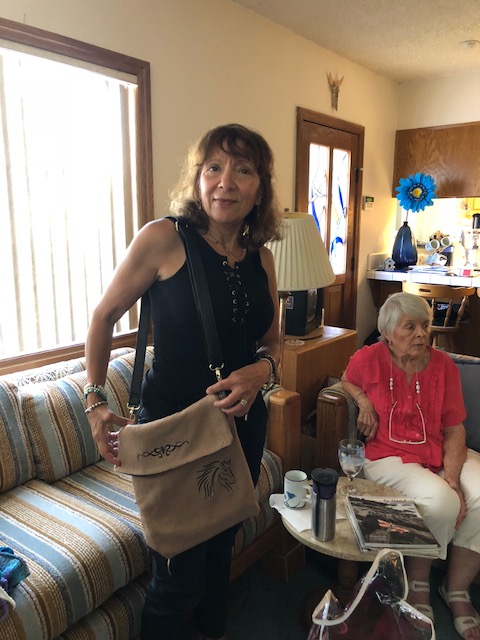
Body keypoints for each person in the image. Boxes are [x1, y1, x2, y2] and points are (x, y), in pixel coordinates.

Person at [84, 123, 282, 640]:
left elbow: (273, 345)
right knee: (176, 575)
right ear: (198, 179)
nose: (226, 181)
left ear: (260, 187)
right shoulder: (164, 239)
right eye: (213, 167)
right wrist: (95, 401)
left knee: (221, 550)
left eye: (243, 170)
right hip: (174, 431)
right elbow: (103, 317)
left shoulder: (262, 258)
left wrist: (262, 372)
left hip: (242, 427)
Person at [341, 292, 480, 640]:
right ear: (388, 334)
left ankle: (456, 589)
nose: (421, 334)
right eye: (410, 327)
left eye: (424, 325)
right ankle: (418, 582)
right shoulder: (368, 358)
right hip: (387, 456)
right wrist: (362, 401)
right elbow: (346, 380)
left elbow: (454, 428)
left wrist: (452, 479)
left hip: (436, 450)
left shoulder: (443, 365)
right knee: (442, 502)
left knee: (478, 493)